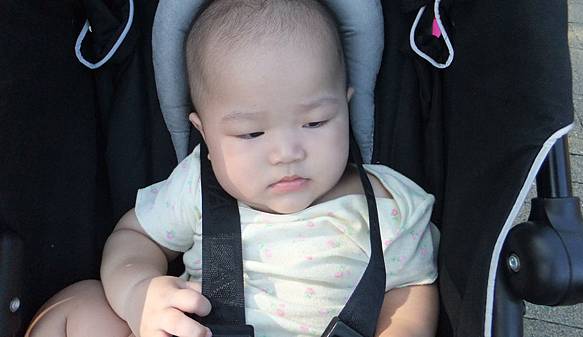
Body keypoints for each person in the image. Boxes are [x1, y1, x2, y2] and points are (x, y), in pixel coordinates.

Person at [26, 1, 439, 336]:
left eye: (315, 123)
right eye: (250, 134)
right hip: (204, 327)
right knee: (78, 306)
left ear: (346, 107)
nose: (286, 153)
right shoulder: (195, 187)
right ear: (205, 135)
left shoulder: (388, 202)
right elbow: (136, 235)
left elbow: (411, 291)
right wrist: (138, 294)